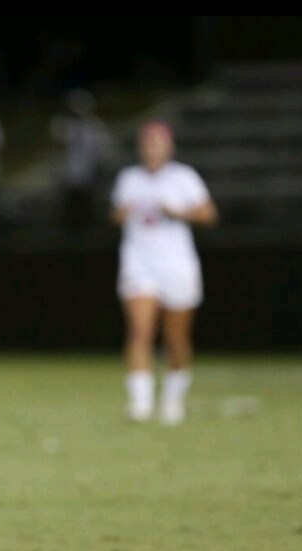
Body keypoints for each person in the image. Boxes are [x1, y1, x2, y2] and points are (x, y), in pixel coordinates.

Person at [109, 120, 218, 425]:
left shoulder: (183, 177)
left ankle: (172, 398)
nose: (152, 148)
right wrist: (122, 213)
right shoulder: (129, 178)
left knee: (175, 338)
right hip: (139, 264)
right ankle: (140, 402)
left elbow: (209, 214)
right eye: (147, 142)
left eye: (157, 142)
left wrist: (178, 212)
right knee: (139, 331)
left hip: (177, 265)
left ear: (169, 147)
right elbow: (116, 215)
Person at [50, 89, 111, 228]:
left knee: (87, 208)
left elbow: (101, 149)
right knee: (68, 208)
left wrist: (98, 169)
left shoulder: (95, 126)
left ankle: (86, 229)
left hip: (88, 172)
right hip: (68, 173)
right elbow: (57, 146)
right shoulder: (62, 124)